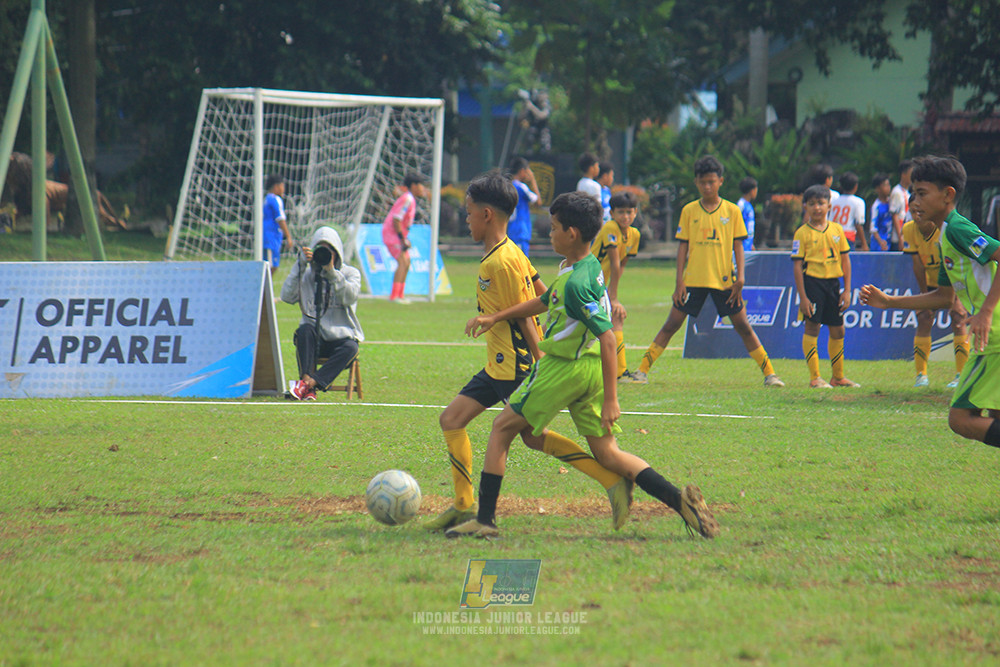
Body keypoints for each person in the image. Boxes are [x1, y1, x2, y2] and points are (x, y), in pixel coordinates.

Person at [446, 191, 719, 539]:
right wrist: (496, 316)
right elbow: (543, 302)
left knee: (501, 429)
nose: (550, 233)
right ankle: (679, 501)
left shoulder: (575, 284)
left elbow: (607, 338)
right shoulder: (583, 267)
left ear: (571, 233)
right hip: (588, 367)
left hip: (565, 368)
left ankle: (484, 520)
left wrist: (612, 399)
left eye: (555, 227)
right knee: (608, 453)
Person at [425, 172, 633, 532]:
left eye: (469, 211)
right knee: (452, 420)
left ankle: (609, 480)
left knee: (527, 436)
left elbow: (526, 312)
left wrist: (540, 361)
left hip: (515, 364)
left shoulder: (501, 261)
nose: (466, 218)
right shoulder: (508, 253)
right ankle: (463, 504)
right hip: (498, 363)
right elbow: (545, 293)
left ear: (487, 214)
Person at [861, 156, 1000, 449]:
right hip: (992, 335)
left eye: (922, 193)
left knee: (960, 418)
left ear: (947, 195)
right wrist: (888, 302)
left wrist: (986, 312)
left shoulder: (958, 229)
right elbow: (943, 297)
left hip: (994, 336)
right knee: (993, 417)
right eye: (913, 194)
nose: (914, 201)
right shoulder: (944, 238)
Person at [627, 155, 785, 387]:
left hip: (725, 282)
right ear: (696, 183)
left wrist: (741, 277)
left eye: (712, 181)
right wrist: (679, 282)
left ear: (721, 181)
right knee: (671, 324)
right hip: (693, 281)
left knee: (743, 326)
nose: (707, 186)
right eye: (703, 182)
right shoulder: (689, 211)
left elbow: (738, 245)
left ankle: (770, 374)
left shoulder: (731, 211)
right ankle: (642, 371)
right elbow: (683, 247)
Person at [282, 226, 364, 401]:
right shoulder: (306, 274)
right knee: (304, 330)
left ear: (337, 253)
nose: (326, 256)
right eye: (321, 251)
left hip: (340, 339)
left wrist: (332, 273)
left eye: (330, 252)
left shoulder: (350, 273)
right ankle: (307, 385)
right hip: (314, 337)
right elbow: (286, 297)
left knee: (352, 348)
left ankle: (306, 386)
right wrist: (300, 265)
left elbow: (349, 297)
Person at [791, 185, 860, 388]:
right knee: (812, 327)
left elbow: (845, 261)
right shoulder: (801, 233)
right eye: (812, 204)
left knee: (838, 330)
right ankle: (815, 378)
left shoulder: (837, 230)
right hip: (812, 283)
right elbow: (797, 266)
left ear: (829, 205)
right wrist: (803, 297)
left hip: (833, 284)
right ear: (805, 206)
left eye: (821, 203)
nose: (817, 208)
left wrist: (847, 290)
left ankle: (838, 377)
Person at [901, 196, 970, 388]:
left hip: (954, 281)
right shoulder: (908, 229)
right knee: (924, 318)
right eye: (913, 211)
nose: (917, 215)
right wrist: (924, 297)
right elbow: (917, 265)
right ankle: (921, 375)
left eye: (920, 210)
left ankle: (961, 376)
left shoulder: (946, 229)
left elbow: (956, 263)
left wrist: (955, 297)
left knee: (958, 318)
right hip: (931, 282)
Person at [591, 191, 641, 381]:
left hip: (600, 284)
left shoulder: (634, 235)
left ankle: (620, 372)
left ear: (635, 212)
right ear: (611, 213)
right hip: (587, 279)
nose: (625, 216)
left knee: (616, 318)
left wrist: (611, 294)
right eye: (621, 212)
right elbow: (614, 263)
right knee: (568, 320)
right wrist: (612, 298)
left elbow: (621, 266)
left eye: (629, 212)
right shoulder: (610, 227)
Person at [382, 172, 428, 302]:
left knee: (407, 263)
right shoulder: (407, 199)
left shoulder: (410, 199)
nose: (422, 188)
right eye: (420, 185)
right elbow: (397, 219)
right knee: (402, 262)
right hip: (392, 235)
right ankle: (394, 296)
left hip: (397, 235)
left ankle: (400, 295)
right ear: (413, 186)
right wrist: (403, 239)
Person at [508, 157, 540, 256]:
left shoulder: (508, 186)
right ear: (522, 171)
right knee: (521, 267)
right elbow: (538, 202)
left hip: (510, 231)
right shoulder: (521, 187)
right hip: (520, 232)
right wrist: (533, 180)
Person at [830, 172, 869, 251]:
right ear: (855, 186)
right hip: (848, 237)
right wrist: (864, 243)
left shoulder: (834, 201)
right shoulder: (858, 202)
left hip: (832, 235)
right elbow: (858, 224)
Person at [263, 174, 293, 275]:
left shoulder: (266, 199)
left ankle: (265, 290)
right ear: (276, 186)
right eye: (282, 186)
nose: (283, 189)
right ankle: (264, 290)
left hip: (268, 237)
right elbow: (280, 219)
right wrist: (288, 236)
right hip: (270, 238)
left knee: (270, 266)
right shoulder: (275, 199)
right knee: (270, 267)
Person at [890, 159, 913, 245]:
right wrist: (900, 237)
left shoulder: (908, 192)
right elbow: (895, 215)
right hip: (899, 237)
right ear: (904, 174)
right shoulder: (897, 192)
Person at [869, 173, 894, 251]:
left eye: (888, 185)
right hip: (879, 245)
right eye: (885, 185)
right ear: (878, 189)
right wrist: (881, 242)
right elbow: (873, 228)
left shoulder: (892, 202)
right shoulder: (876, 206)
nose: (888, 188)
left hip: (889, 241)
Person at [736, 177, 758, 252]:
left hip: (748, 246)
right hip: (742, 247)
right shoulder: (741, 204)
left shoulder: (749, 206)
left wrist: (751, 244)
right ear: (752, 191)